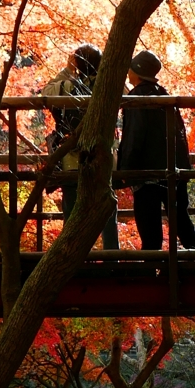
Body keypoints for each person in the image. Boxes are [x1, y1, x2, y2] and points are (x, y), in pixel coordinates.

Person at [117, 50, 195, 251]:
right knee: (180, 217)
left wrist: (126, 170)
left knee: (149, 228)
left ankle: (150, 270)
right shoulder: (164, 94)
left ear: (137, 72)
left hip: (146, 171)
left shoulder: (136, 98)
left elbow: (134, 136)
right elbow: (179, 134)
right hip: (171, 168)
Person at [42, 44, 118, 249]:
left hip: (72, 156)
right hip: (102, 155)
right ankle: (112, 254)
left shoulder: (67, 86)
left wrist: (68, 69)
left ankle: (69, 254)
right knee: (105, 207)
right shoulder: (107, 84)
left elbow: (46, 93)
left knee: (72, 209)